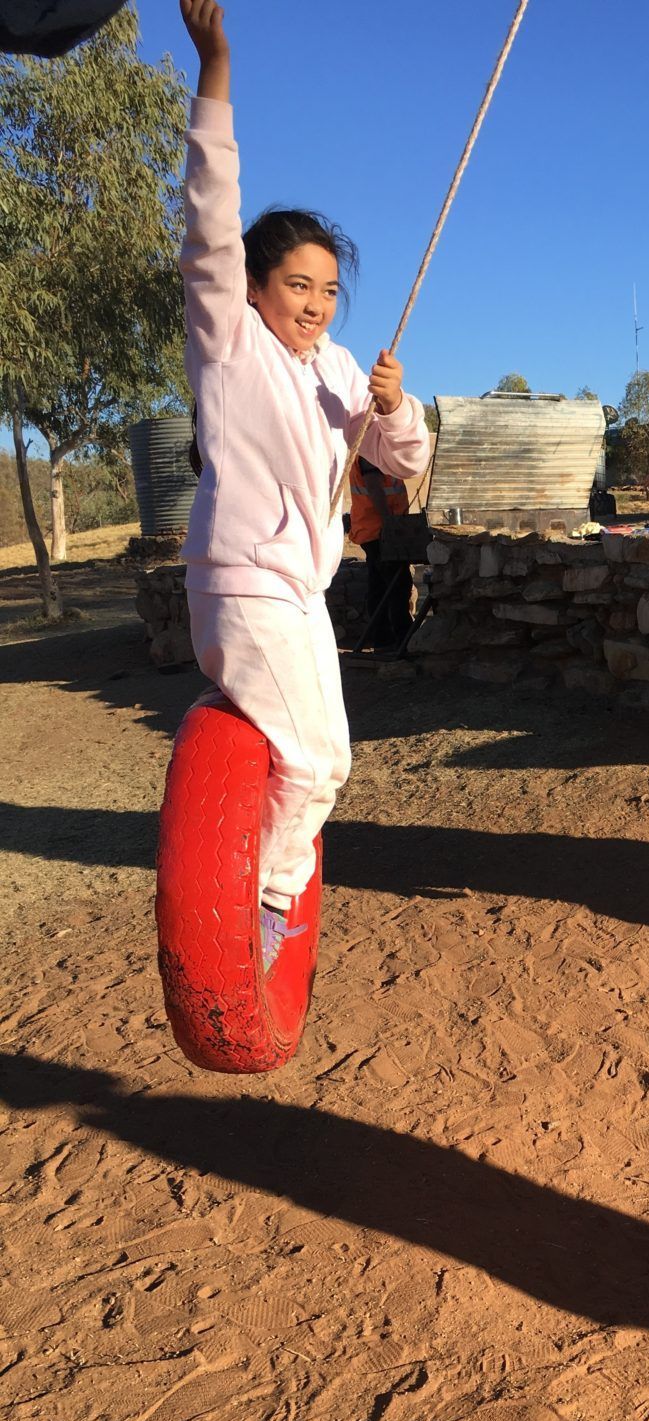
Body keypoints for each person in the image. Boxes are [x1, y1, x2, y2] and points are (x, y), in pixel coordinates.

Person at [178, 0, 431, 969]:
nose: (316, 305)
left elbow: (403, 461)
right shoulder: (229, 344)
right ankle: (265, 906)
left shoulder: (336, 372)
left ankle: (259, 885)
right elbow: (207, 216)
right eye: (297, 285)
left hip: (298, 595)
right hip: (245, 585)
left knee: (320, 760)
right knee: (323, 761)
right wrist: (217, 74)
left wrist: (396, 407)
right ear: (253, 287)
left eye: (328, 290)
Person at [349, 454, 412, 650]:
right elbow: (374, 487)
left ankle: (383, 640)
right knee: (398, 585)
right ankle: (403, 640)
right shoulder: (371, 454)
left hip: (373, 530)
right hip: (379, 530)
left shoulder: (375, 452)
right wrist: (389, 522)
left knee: (380, 586)